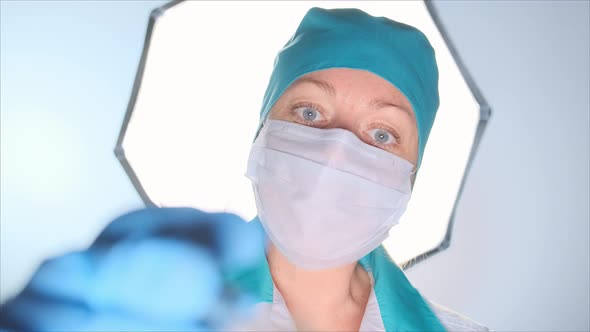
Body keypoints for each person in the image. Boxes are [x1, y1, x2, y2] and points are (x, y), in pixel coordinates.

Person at [0, 7, 490, 332]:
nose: (337, 150)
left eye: (382, 135)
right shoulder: (152, 311)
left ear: (411, 178)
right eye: (309, 113)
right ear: (260, 137)